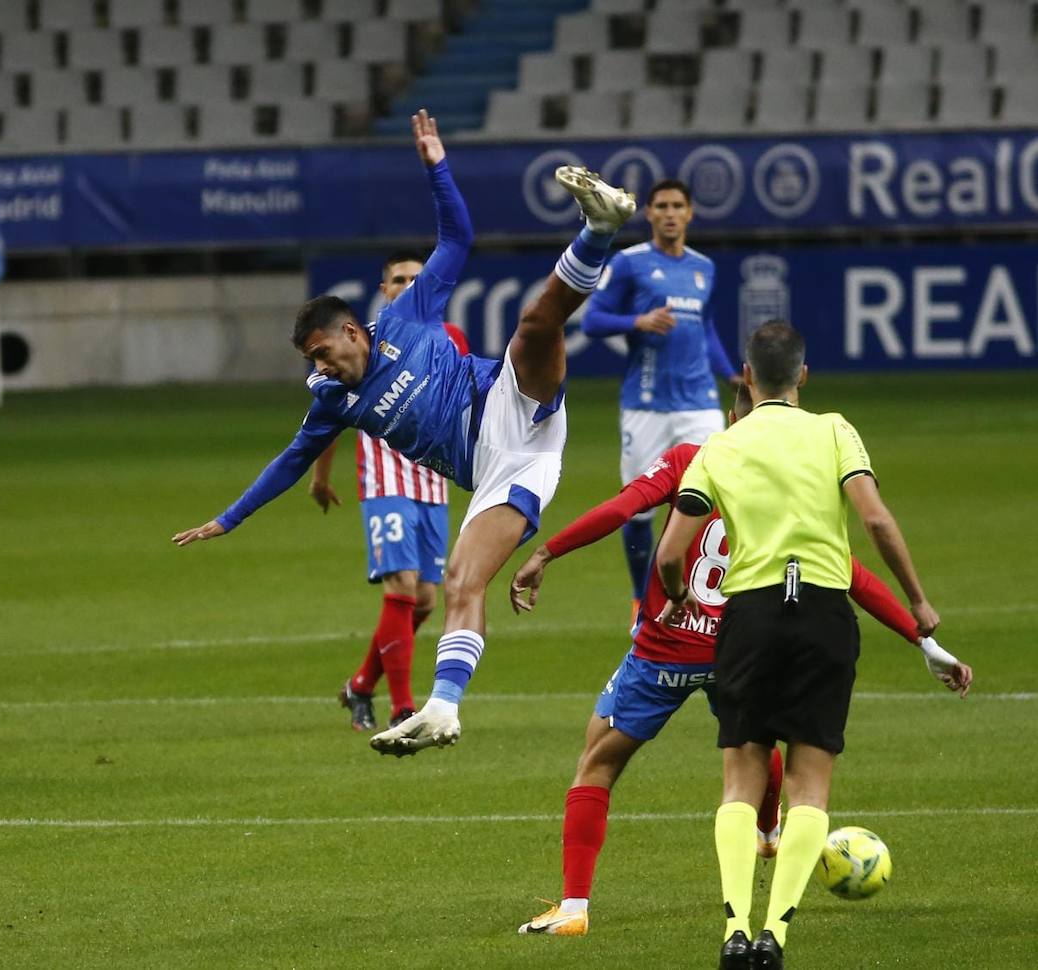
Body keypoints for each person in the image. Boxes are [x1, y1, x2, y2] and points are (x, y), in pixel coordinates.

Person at [173, 109, 637, 756]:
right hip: (507, 469)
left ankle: (598, 230)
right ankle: (444, 709)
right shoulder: (333, 400)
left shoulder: (405, 314)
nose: (320, 365)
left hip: (509, 401)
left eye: (321, 350)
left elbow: (457, 237)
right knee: (459, 582)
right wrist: (231, 517)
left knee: (535, 326)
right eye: (312, 359)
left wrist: (436, 167)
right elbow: (291, 460)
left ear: (352, 332)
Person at [509, 383, 972, 937]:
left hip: (666, 649)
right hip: (737, 648)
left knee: (597, 765)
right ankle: (772, 828)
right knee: (757, 739)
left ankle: (574, 907)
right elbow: (852, 574)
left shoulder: (696, 459)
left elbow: (623, 509)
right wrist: (921, 639)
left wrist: (546, 551)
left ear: (733, 414)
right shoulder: (790, 484)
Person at [652, 321, 972, 969]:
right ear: (803, 376)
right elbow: (876, 519)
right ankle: (777, 935)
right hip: (824, 612)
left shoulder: (722, 445)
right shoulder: (834, 429)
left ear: (747, 376)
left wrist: (678, 594)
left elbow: (669, 553)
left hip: (751, 616)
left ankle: (734, 930)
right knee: (809, 786)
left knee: (741, 781)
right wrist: (918, 604)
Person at [309, 251, 470, 732]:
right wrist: (320, 477)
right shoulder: (371, 341)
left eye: (415, 278)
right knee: (400, 587)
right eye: (397, 279)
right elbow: (328, 418)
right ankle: (403, 707)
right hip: (386, 479)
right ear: (384, 290)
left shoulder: (452, 338)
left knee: (423, 601)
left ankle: (360, 685)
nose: (405, 285)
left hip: (433, 477)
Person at [581, 179, 739, 620]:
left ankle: (706, 593)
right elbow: (592, 321)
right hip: (645, 404)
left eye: (678, 206)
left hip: (700, 404)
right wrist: (638, 320)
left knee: (712, 499)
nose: (670, 213)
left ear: (690, 214)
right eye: (661, 206)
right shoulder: (630, 264)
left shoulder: (704, 268)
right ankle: (639, 598)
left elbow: (705, 327)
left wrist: (729, 375)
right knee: (638, 506)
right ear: (648, 213)